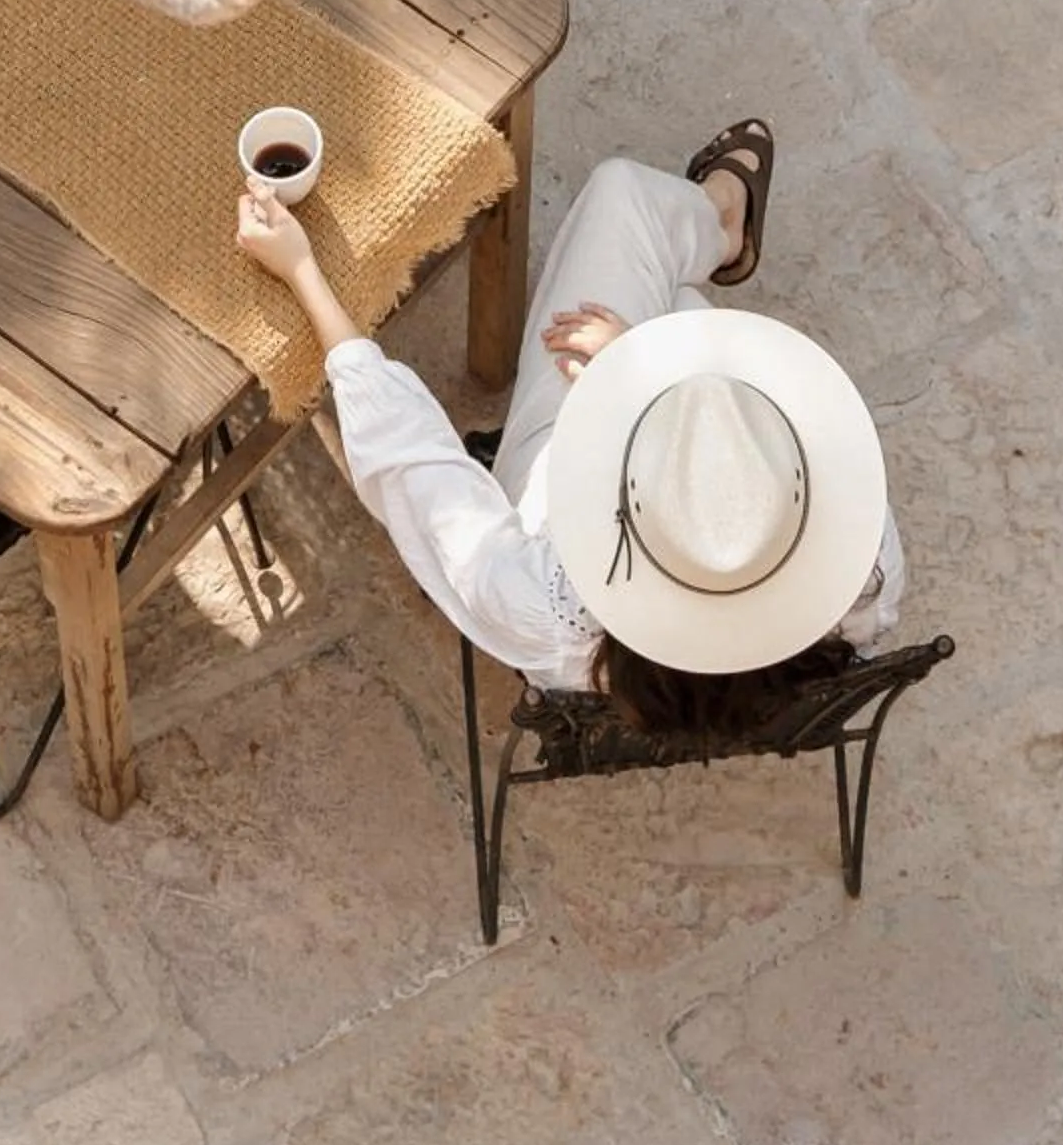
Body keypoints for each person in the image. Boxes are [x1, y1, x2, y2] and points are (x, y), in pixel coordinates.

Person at [235, 120, 904, 737]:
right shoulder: (865, 561)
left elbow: (409, 454)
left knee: (624, 204)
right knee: (675, 304)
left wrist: (302, 269)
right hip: (711, 611)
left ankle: (720, 225)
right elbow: (733, 465)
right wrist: (640, 360)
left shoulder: (548, 603)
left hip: (569, 503)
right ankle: (714, 237)